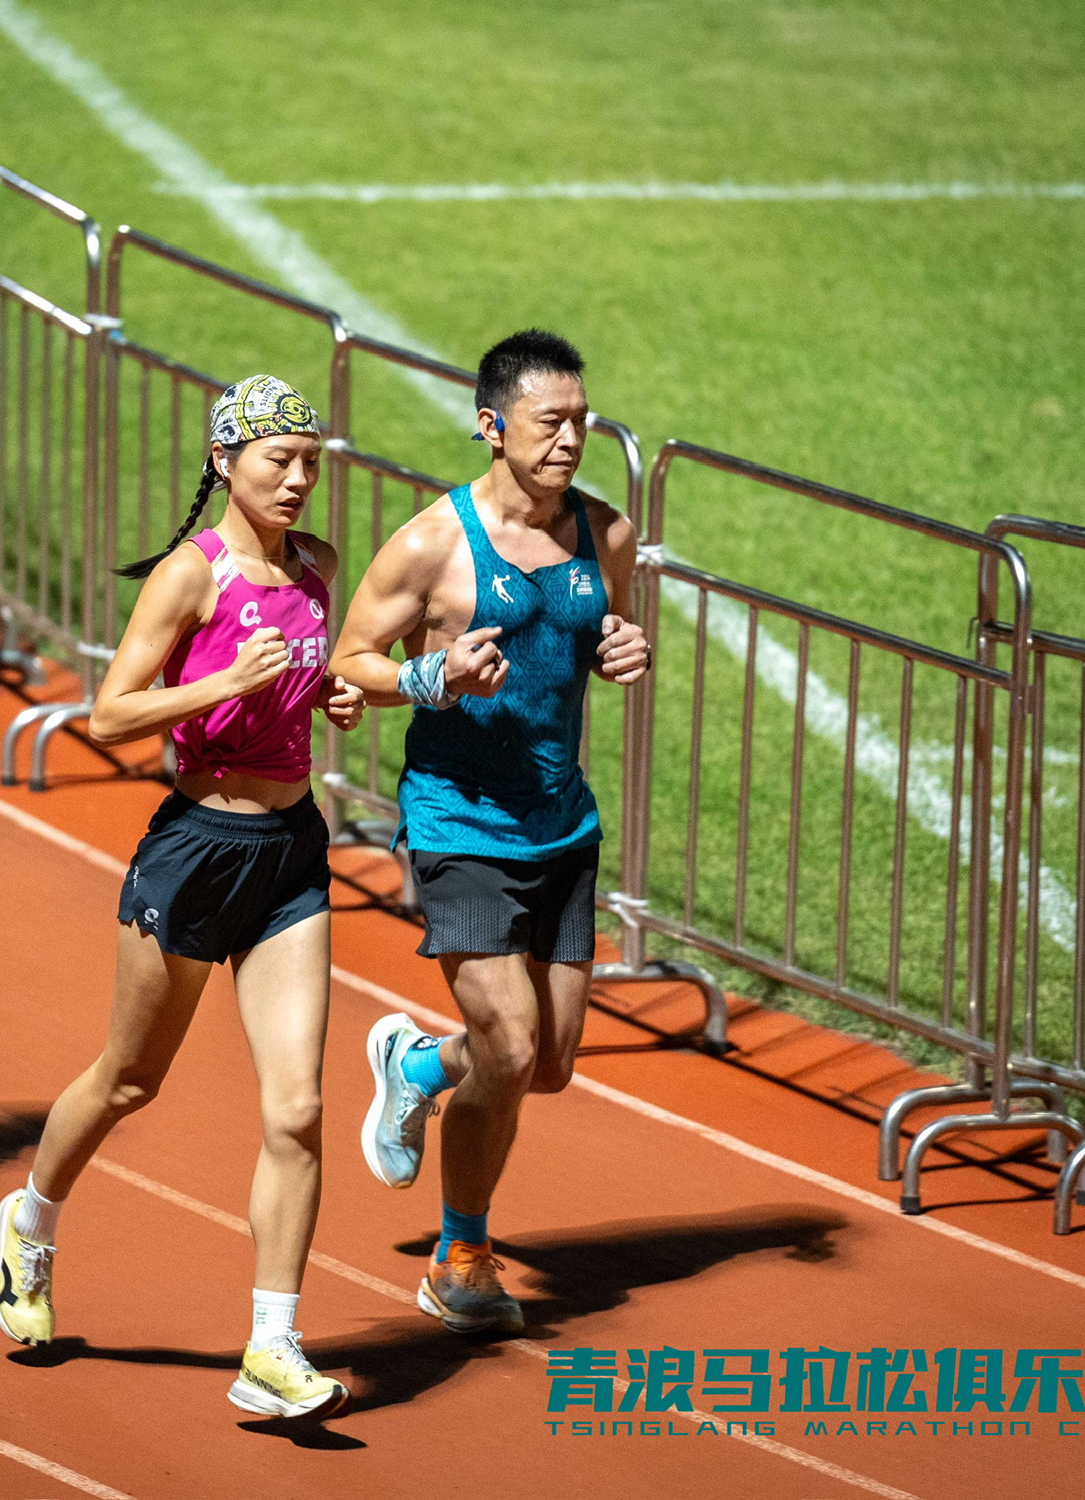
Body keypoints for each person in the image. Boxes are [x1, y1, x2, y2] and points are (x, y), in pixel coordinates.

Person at [0, 376, 367, 1421]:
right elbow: (109, 715)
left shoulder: (318, 568)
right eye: (276, 461)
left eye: (308, 462)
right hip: (195, 850)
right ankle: (31, 1222)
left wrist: (328, 694)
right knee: (127, 1080)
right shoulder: (188, 577)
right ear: (222, 462)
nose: (296, 480)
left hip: (289, 854)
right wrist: (220, 685)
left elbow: (303, 682)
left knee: (297, 1107)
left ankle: (272, 1347)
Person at [329, 329, 649, 1335]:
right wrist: (431, 675)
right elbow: (349, 658)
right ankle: (459, 1256)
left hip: (561, 826)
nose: (569, 440)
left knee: (545, 1065)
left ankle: (419, 1068)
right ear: (491, 426)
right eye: (549, 422)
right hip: (458, 821)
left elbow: (597, 633)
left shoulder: (604, 533)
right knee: (507, 1046)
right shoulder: (431, 544)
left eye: (580, 421)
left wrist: (622, 649)